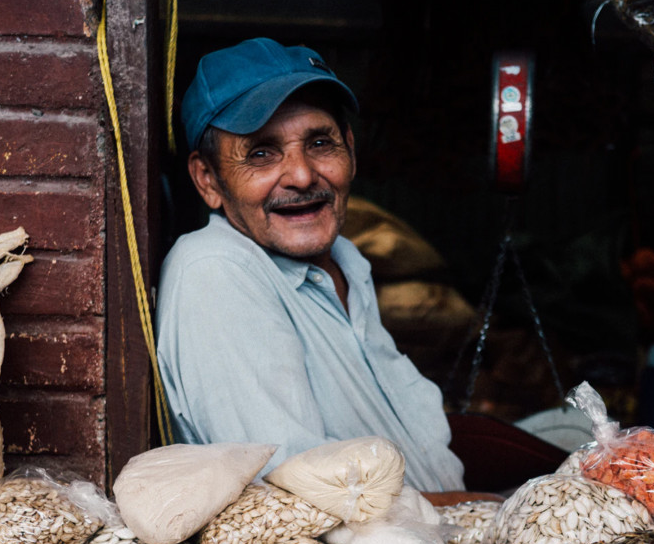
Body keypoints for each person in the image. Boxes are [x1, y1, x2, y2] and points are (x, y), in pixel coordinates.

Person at [156, 37, 466, 492]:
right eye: (261, 153)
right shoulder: (215, 272)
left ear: (351, 152)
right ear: (208, 180)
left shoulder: (347, 261)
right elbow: (296, 491)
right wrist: (470, 511)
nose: (302, 176)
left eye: (320, 143)